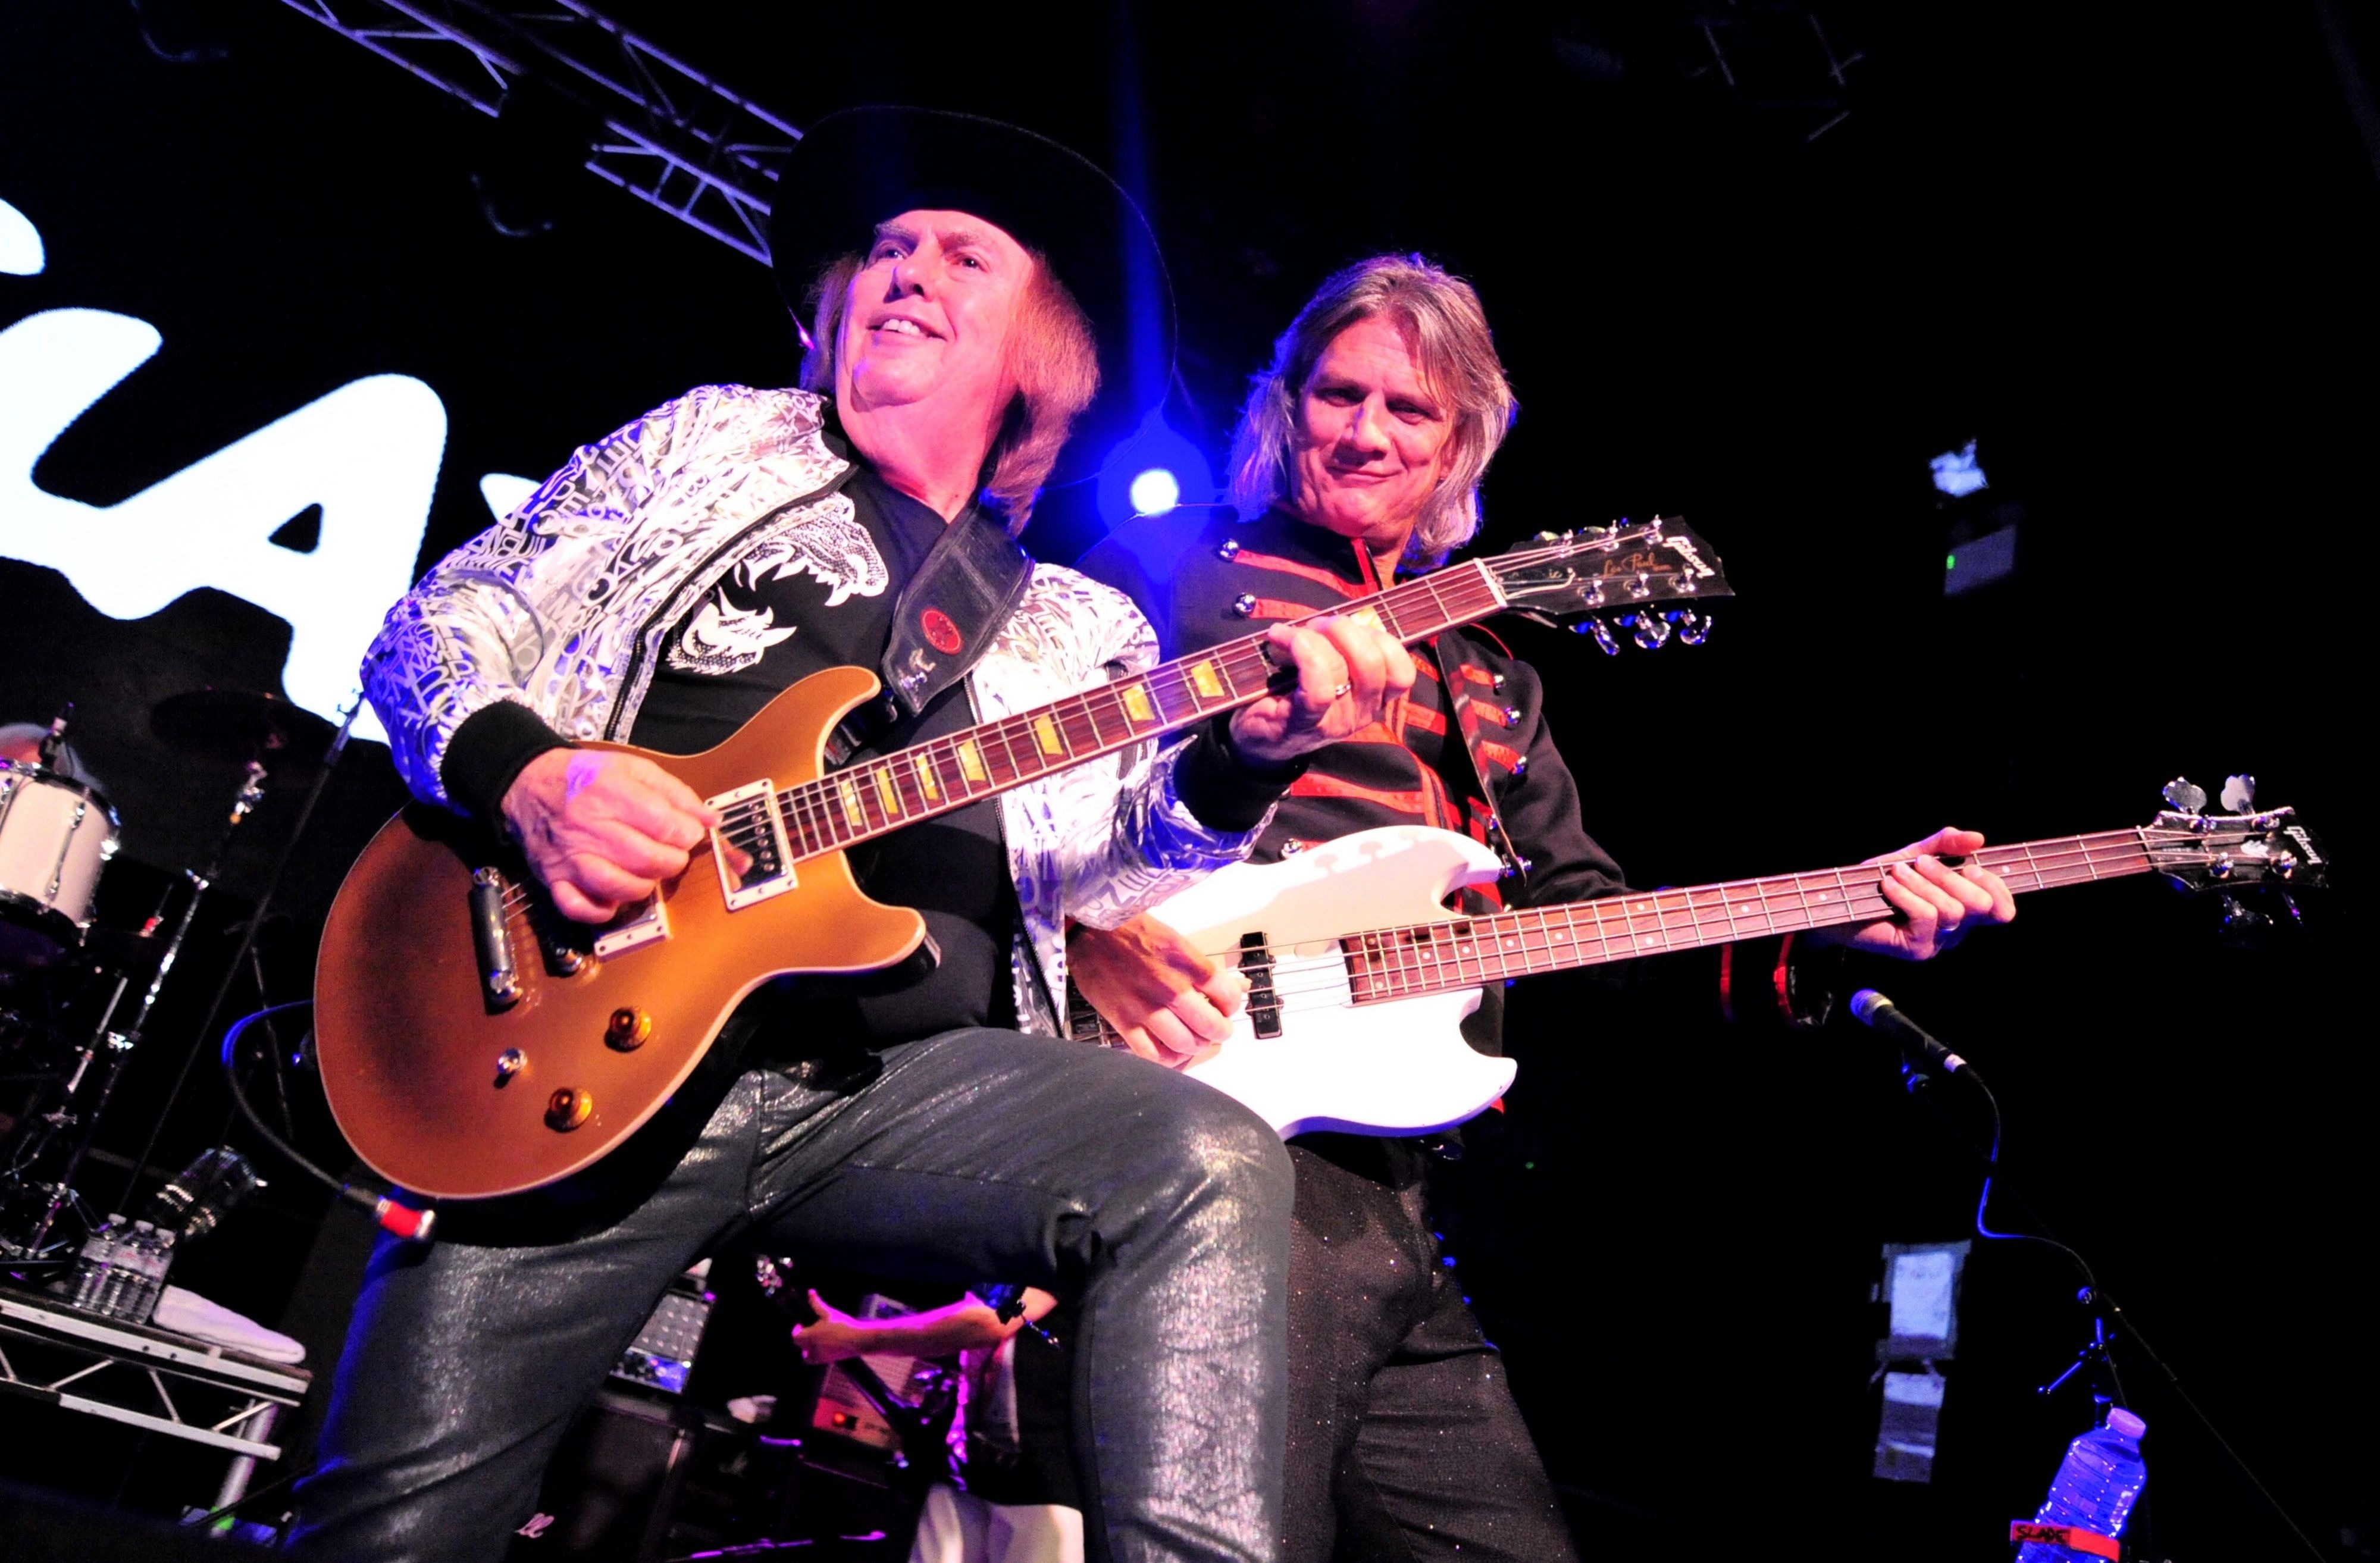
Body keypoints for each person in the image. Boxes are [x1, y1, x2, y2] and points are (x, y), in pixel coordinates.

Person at [287, 111, 1416, 1563]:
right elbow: (442, 623)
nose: (905, 270)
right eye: (886, 248)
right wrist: (531, 777)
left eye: (961, 256)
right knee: (389, 1530)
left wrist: (1245, 760)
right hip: (583, 1040)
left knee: (1202, 1160)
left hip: (897, 1089)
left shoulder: (1079, 626)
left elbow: (1119, 865)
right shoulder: (715, 442)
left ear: (1043, 348)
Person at [1072, 254, 2017, 1562]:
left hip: (1394, 1178)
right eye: (1338, 394)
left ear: (1460, 445)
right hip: (1206, 1125)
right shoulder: (1161, 568)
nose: (1365, 433)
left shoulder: (1489, 679)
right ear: (1283, 406)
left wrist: (1825, 922)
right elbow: (1033, 814)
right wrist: (1092, 941)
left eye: (1410, 410)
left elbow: (1591, 926)